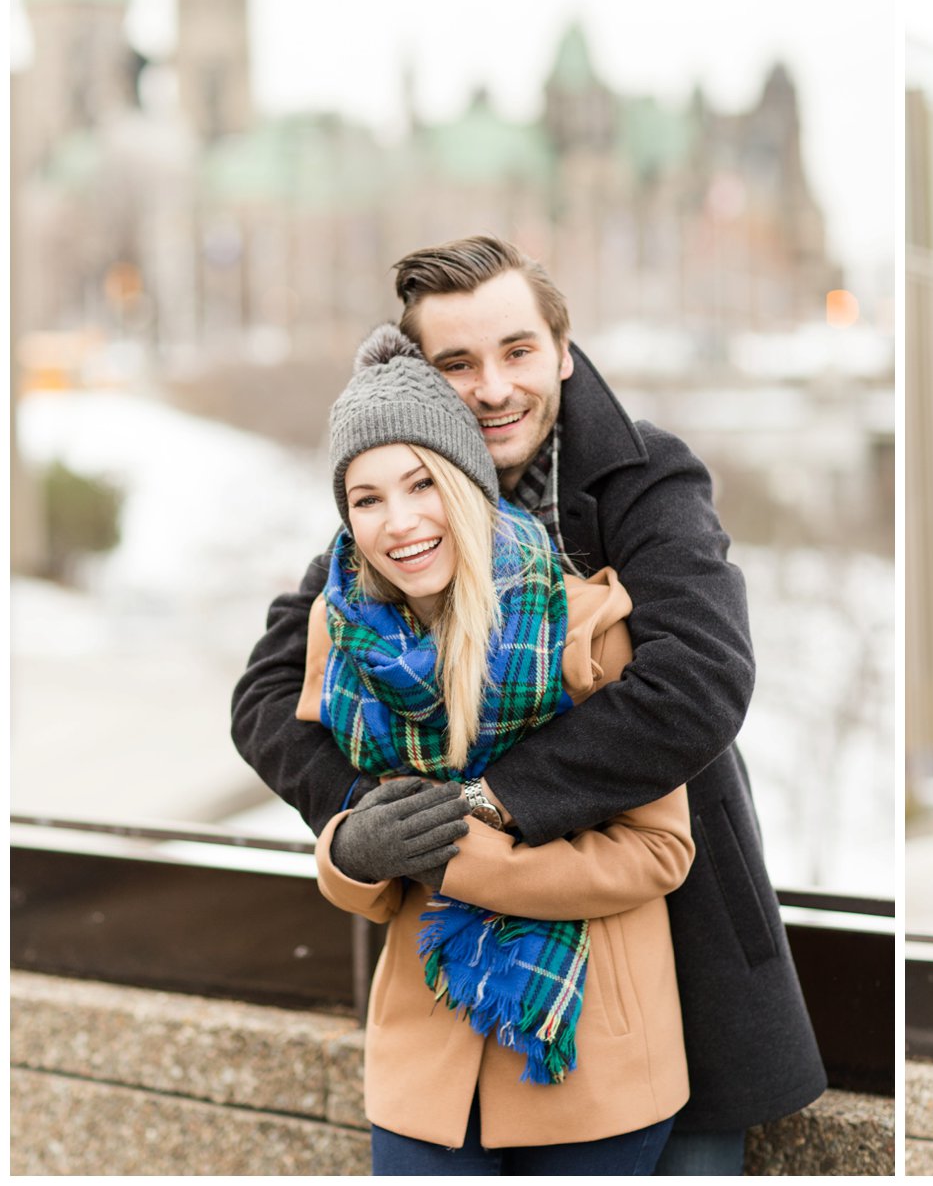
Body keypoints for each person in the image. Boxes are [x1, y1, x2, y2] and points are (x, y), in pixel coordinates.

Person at [232, 237, 826, 1175]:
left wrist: (492, 802)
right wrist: (372, 816)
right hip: (451, 967)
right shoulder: (403, 495)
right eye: (457, 364)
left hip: (670, 923)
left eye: (515, 351)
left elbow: (699, 682)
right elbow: (269, 693)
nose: (495, 387)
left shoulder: (645, 480)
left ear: (562, 348)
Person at [305, 323, 688, 1172]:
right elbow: (361, 842)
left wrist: (471, 861)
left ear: (466, 482)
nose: (398, 522)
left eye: (420, 484)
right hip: (423, 1067)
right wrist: (351, 850)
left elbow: (662, 850)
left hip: (587, 1065)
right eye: (366, 499)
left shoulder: (583, 622)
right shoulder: (342, 637)